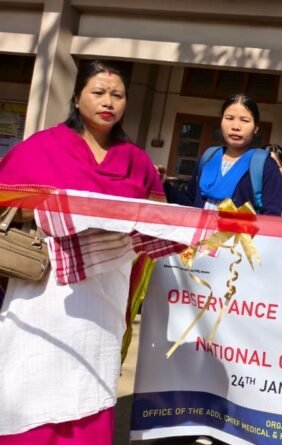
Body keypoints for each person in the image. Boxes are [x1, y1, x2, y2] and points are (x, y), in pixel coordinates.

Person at [0, 60, 165, 444]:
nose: (108, 102)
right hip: (44, 294)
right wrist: (50, 210)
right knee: (31, 377)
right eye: (98, 92)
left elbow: (155, 223)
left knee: (89, 383)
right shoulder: (42, 147)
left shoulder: (136, 160)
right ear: (77, 98)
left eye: (117, 95)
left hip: (103, 300)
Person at [167, 94, 282, 215]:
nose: (235, 127)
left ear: (256, 128)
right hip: (200, 233)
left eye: (244, 120)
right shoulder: (208, 157)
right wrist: (163, 184)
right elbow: (190, 203)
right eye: (229, 118)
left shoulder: (265, 165)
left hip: (237, 234)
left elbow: (271, 215)